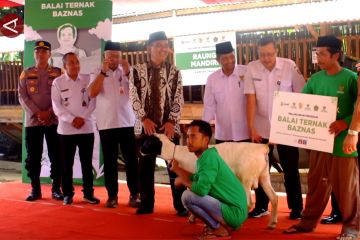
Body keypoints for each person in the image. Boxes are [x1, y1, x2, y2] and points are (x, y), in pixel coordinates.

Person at [283, 35, 360, 240]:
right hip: (318, 143)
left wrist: (345, 122)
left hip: (342, 144)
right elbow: (301, 105)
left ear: (336, 55)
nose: (318, 58)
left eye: (322, 54)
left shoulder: (351, 78)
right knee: (315, 185)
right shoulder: (315, 80)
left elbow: (358, 109)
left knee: (347, 189)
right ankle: (307, 223)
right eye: (317, 53)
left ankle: (352, 227)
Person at [244, 36, 304, 219]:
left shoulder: (289, 66)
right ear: (258, 53)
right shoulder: (251, 68)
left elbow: (300, 95)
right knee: (260, 169)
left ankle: (296, 208)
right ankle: (262, 206)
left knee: (290, 168)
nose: (266, 58)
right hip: (261, 129)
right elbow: (250, 99)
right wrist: (251, 127)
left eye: (269, 54)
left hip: (285, 129)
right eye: (262, 54)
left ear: (276, 51)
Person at [129, 31, 188, 216]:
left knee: (174, 167)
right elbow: (133, 96)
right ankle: (146, 204)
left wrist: (172, 121)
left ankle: (180, 205)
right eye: (158, 45)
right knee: (145, 168)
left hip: (168, 128)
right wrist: (144, 118)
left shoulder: (175, 71)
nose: (163, 48)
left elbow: (179, 98)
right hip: (145, 127)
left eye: (165, 45)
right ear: (149, 48)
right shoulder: (136, 71)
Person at [170, 120, 248, 239]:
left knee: (187, 196)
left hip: (233, 212)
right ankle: (222, 225)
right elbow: (194, 178)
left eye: (193, 136)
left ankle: (217, 229)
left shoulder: (208, 158)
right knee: (191, 191)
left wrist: (182, 181)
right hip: (234, 211)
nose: (188, 141)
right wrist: (176, 169)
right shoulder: (207, 156)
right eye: (187, 136)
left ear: (206, 140)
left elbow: (201, 189)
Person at [88, 41, 140, 208]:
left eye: (117, 56)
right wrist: (103, 73)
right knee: (110, 162)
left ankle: (134, 195)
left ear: (120, 57)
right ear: (105, 57)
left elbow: (138, 91)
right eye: (110, 56)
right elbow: (91, 93)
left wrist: (128, 72)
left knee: (132, 160)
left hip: (126, 122)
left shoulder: (126, 71)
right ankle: (112, 196)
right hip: (107, 124)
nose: (114, 59)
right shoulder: (97, 72)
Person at [51, 52, 99, 205]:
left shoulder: (87, 79)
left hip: (86, 127)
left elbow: (93, 102)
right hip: (66, 130)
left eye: (77, 62)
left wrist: (82, 118)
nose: (75, 65)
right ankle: (68, 194)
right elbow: (56, 106)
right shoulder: (57, 83)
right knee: (67, 164)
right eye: (71, 63)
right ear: (64, 66)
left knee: (87, 163)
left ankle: (89, 193)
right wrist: (72, 119)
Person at [18, 40, 63, 201]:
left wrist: (49, 113)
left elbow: (62, 96)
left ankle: (56, 189)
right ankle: (35, 189)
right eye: (37, 51)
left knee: (56, 156)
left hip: (54, 121)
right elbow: (22, 97)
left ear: (49, 54)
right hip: (33, 122)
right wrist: (38, 113)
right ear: (34, 54)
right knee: (33, 157)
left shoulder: (59, 73)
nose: (40, 54)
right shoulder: (26, 73)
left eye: (44, 51)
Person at [202, 41, 249, 143]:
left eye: (231, 57)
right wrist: (202, 128)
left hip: (245, 132)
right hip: (223, 135)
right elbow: (209, 106)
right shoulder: (212, 79)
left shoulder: (246, 72)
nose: (229, 61)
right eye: (225, 58)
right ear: (217, 60)